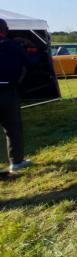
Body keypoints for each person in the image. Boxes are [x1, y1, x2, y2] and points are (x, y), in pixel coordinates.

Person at [0, 18, 32, 174]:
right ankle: (16, 162)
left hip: (8, 90)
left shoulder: (11, 44)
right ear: (5, 29)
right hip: (7, 92)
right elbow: (30, 63)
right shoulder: (12, 46)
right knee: (13, 128)